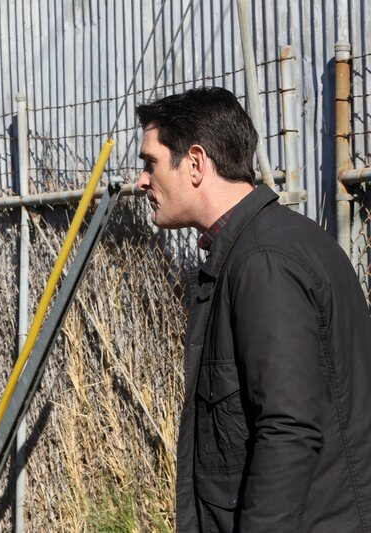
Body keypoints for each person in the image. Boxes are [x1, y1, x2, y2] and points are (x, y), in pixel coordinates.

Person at [135, 87, 371, 531]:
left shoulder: (264, 260)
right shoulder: (262, 247)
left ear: (196, 163)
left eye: (151, 163)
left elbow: (288, 429)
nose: (142, 181)